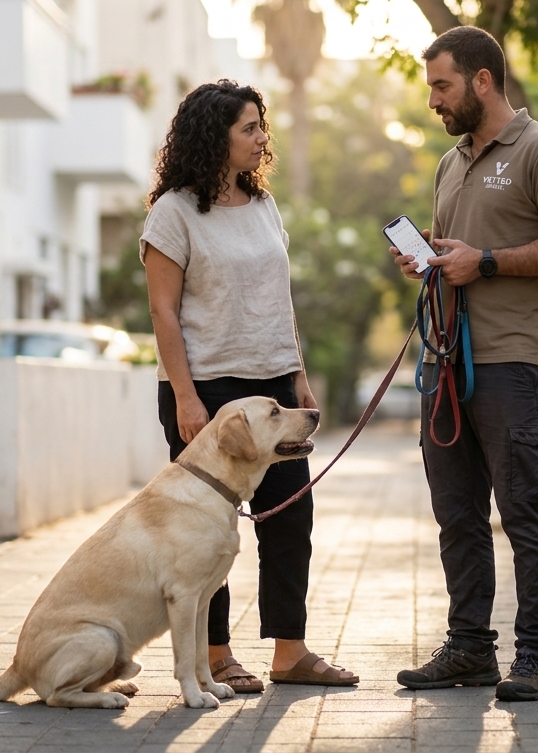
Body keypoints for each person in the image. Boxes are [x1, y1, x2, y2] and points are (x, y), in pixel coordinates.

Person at [391, 27, 538, 701]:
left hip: (512, 366)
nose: (433, 102)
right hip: (446, 362)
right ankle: (471, 649)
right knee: (457, 517)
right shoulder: (452, 163)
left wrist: (489, 262)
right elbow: (461, 251)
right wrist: (428, 259)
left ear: (483, 80)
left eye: (442, 86)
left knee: (525, 514)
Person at [140, 79, 358, 693]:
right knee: (205, 528)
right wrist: (185, 397)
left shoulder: (264, 207)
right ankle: (214, 656)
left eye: (263, 127)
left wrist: (299, 378)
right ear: (215, 136)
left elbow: (277, 302)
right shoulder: (172, 212)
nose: (264, 140)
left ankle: (290, 654)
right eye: (250, 129)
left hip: (270, 390)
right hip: (207, 390)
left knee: (290, 517)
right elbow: (163, 312)